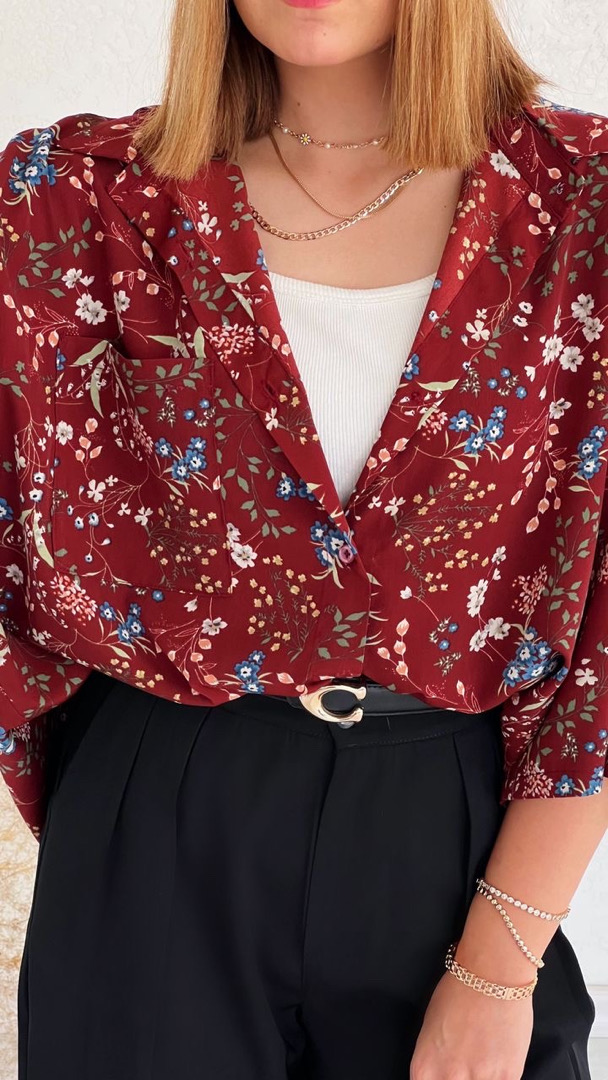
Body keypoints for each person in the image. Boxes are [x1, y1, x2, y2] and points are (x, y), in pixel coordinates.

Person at [1, 0, 607, 1077]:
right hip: (160, 809)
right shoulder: (78, 193)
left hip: (457, 827)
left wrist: (498, 971)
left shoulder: (580, 201)